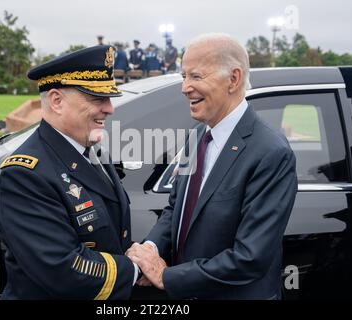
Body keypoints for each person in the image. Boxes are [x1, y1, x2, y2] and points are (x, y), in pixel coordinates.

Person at [126, 33, 298, 300]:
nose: (184, 87)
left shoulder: (270, 152)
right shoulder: (197, 136)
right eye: (183, 76)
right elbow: (176, 208)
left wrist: (167, 277)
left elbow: (250, 258)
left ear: (233, 79)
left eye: (196, 76)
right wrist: (149, 250)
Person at [0, 45, 138, 299]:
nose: (110, 108)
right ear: (56, 101)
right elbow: (62, 269)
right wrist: (136, 270)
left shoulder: (91, 149)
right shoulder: (24, 174)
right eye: (97, 98)